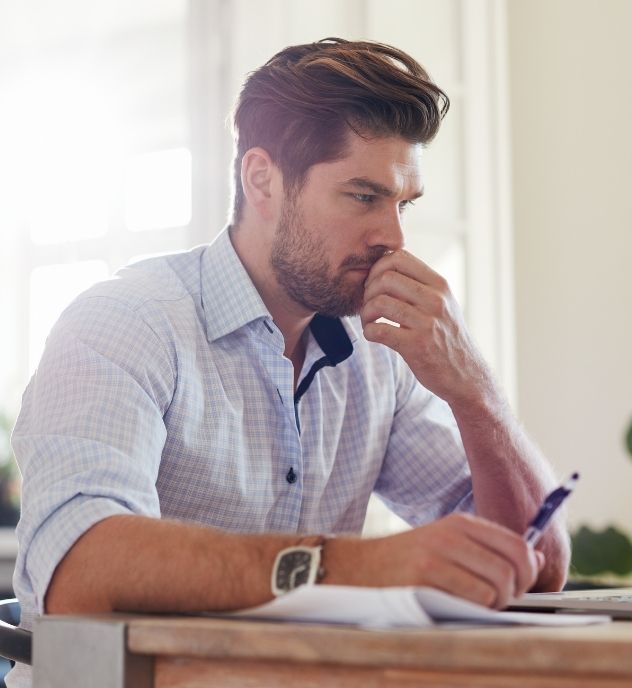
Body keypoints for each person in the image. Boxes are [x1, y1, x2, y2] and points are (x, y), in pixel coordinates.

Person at [9, 36, 569, 686]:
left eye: (403, 203)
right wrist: (357, 567)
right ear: (262, 179)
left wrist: (476, 394)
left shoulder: (375, 355)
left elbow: (537, 562)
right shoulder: (127, 321)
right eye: (364, 196)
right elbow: (80, 569)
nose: (393, 235)